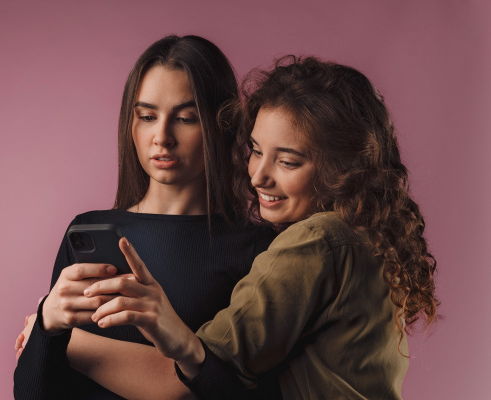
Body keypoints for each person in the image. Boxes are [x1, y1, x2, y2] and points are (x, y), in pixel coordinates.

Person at [85, 56, 440, 399]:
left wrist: (59, 339)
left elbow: (194, 375)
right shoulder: (369, 237)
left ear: (343, 167)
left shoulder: (316, 241)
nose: (258, 176)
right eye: (255, 151)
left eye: (287, 161)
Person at [13, 35, 275, 399]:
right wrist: (47, 325)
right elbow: (33, 394)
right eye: (148, 116)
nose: (162, 137)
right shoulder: (86, 231)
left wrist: (75, 345)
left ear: (221, 125)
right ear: (130, 125)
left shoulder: (258, 250)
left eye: (185, 118)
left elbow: (248, 392)